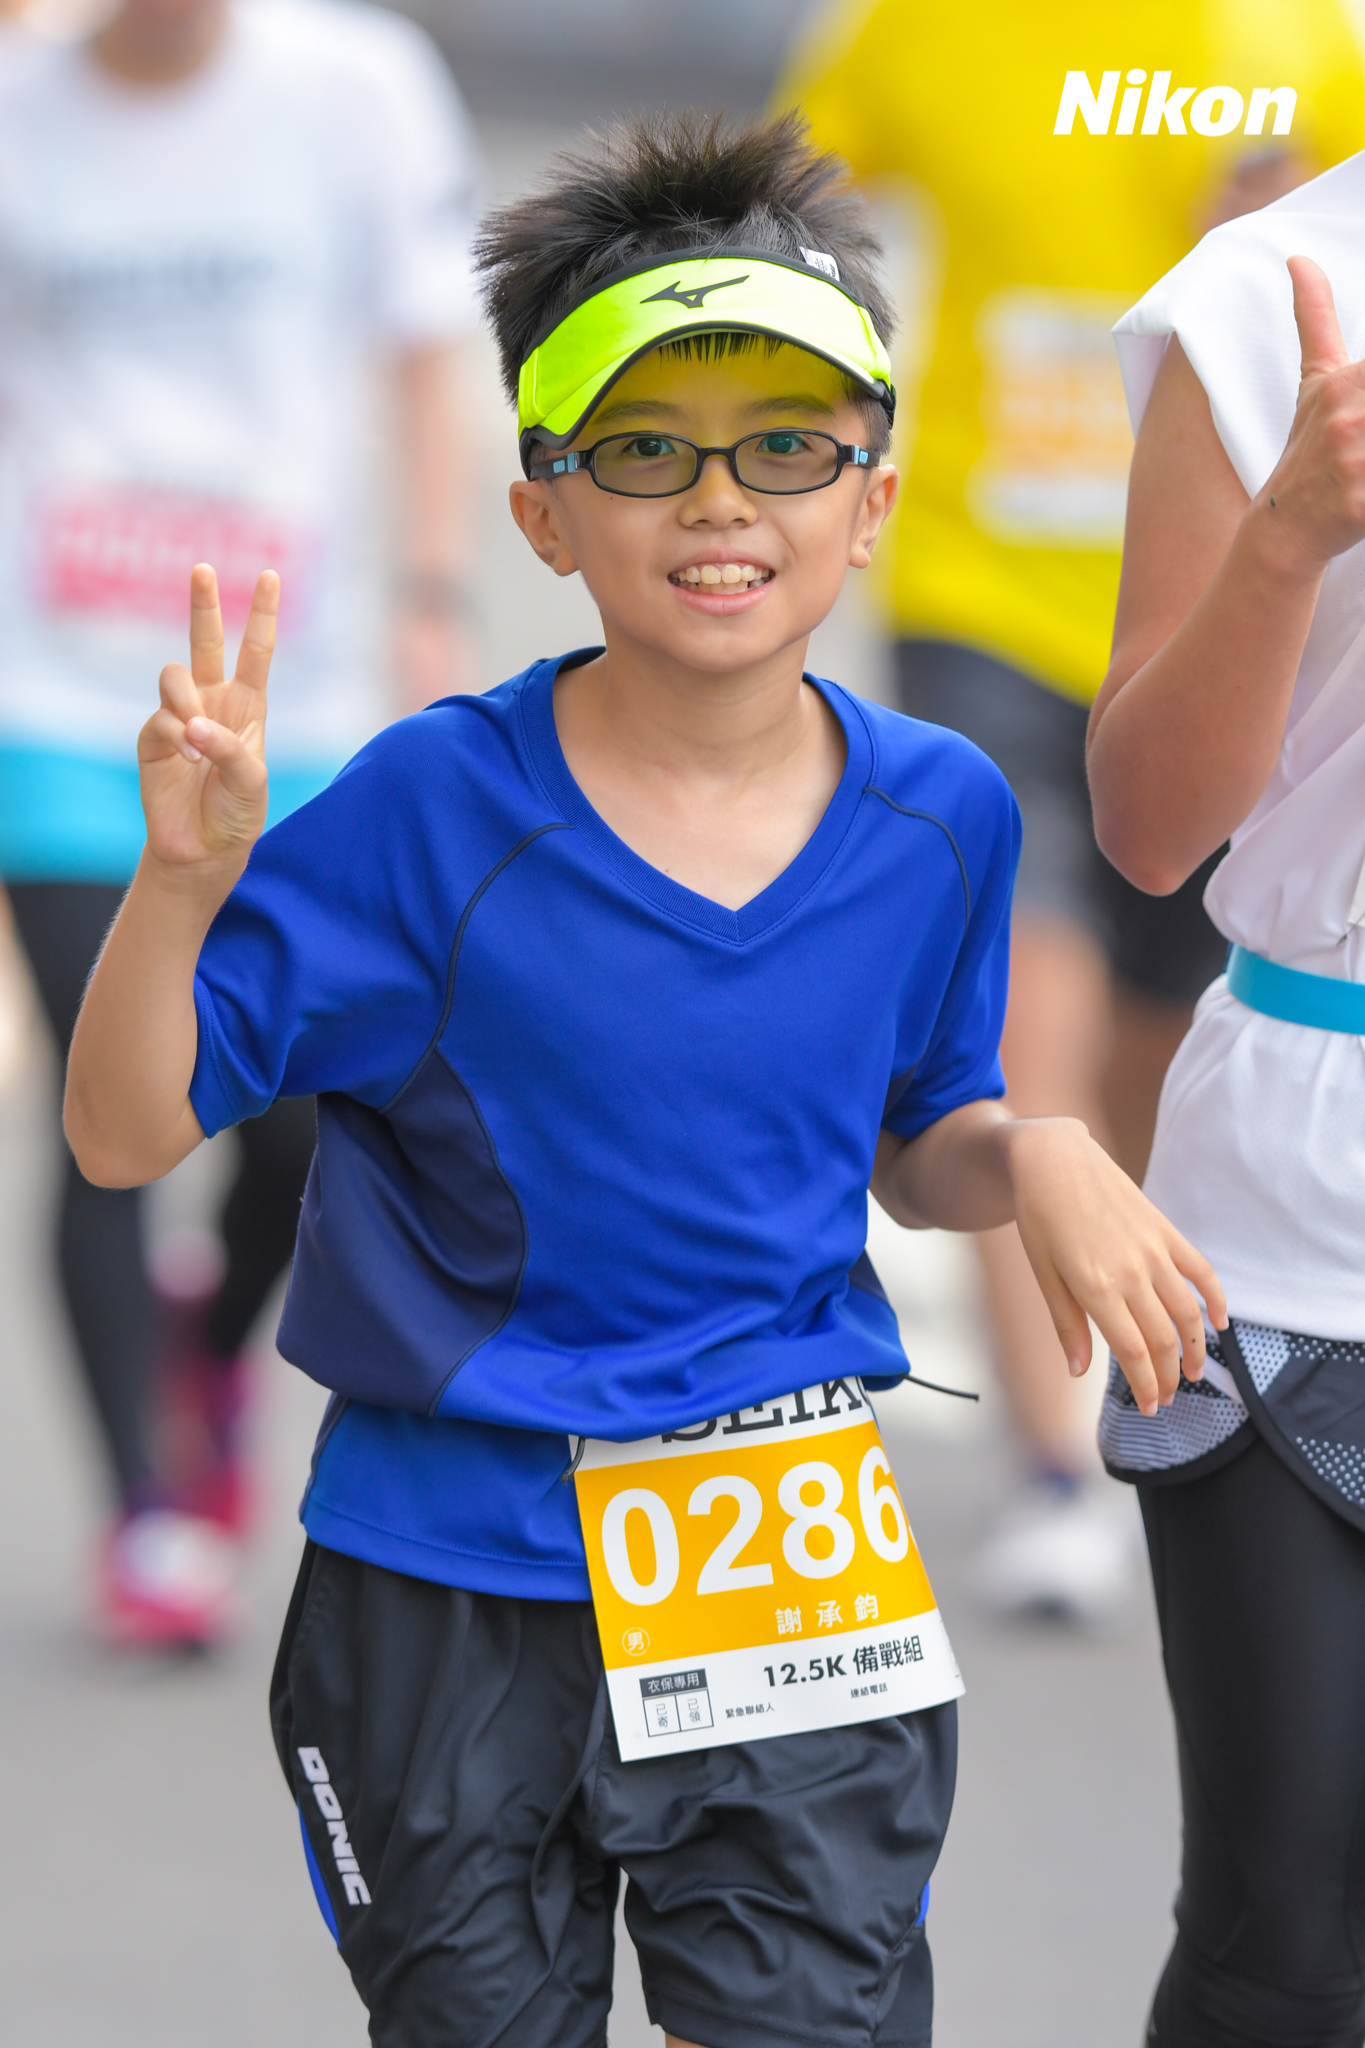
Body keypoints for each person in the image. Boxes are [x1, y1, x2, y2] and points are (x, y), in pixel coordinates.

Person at [63, 113, 1221, 2048]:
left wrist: (1037, 1149)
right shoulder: (429, 809)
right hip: (449, 1572)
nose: (718, 503)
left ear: (870, 496)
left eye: (784, 448)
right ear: (544, 511)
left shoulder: (936, 812)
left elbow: (917, 1141)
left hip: (784, 1564)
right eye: (643, 452)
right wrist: (179, 885)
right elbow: (121, 1133)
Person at [780, 0, 1365, 1623]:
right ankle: (1053, 1466)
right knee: (1020, 1008)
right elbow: (781, 218)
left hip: (1226, 625)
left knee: (1152, 1044)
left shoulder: (1297, 35)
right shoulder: (921, 28)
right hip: (984, 587)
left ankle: (1172, 1368)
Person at [0, 0, 481, 1645]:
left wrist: (429, 598)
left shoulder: (357, 84)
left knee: (294, 1121)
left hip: (301, 696)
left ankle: (202, 1358)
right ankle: (142, 1514)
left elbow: (423, 360)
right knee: (109, 1082)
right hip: (58, 695)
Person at [1088, 160, 1365, 2044]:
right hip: (1298, 1207)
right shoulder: (1268, 293)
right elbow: (1148, 827)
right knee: (1286, 1948)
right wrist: (1287, 541)